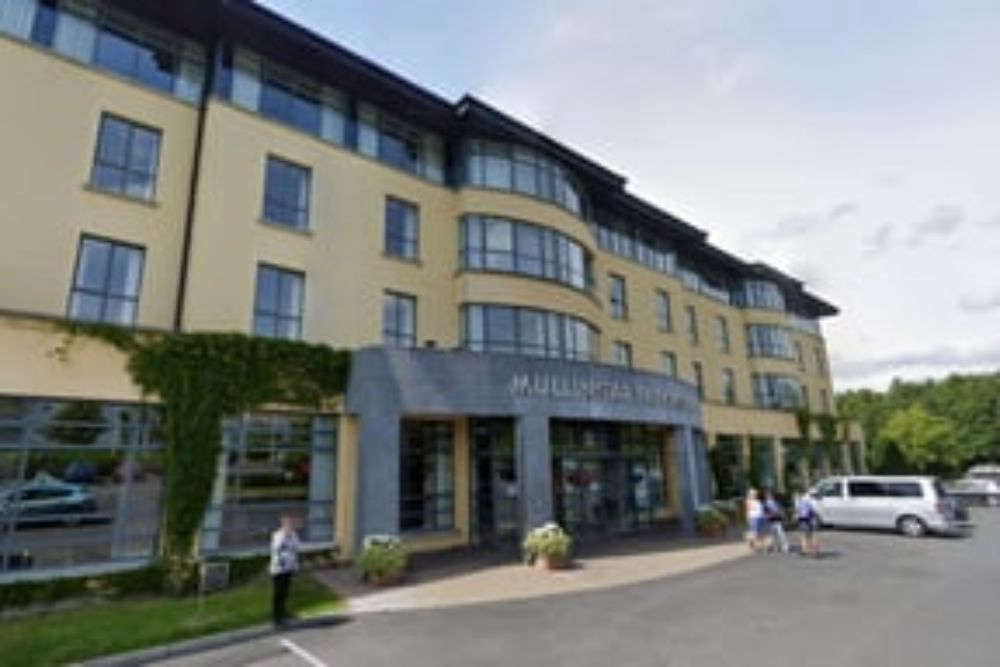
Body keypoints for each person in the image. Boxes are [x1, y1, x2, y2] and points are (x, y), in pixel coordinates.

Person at [270, 515, 300, 627]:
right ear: (283, 525)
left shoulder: (294, 536)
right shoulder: (278, 535)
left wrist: (295, 566)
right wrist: (285, 537)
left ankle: (284, 613)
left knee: (285, 593)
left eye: (291, 525)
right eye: (287, 525)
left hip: (289, 568)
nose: (289, 527)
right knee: (278, 594)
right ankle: (276, 618)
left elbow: (296, 548)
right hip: (278, 569)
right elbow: (277, 548)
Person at [794, 490, 819, 557]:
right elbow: (815, 510)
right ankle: (815, 551)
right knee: (813, 535)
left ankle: (805, 551)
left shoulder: (800, 500)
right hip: (812, 519)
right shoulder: (813, 500)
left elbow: (797, 509)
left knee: (804, 536)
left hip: (803, 519)